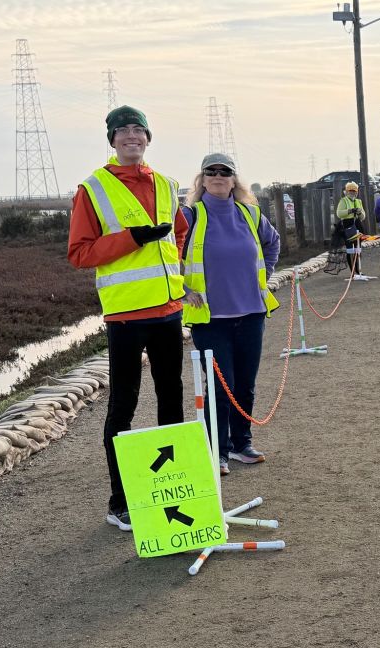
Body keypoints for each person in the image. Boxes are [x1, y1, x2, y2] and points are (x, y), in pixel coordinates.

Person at [67, 105, 189, 532]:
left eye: (139, 130)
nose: (132, 137)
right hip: (125, 317)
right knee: (123, 406)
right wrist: (132, 239)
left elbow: (179, 233)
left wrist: (171, 266)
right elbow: (80, 253)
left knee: (171, 400)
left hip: (168, 312)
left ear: (148, 138)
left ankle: (173, 490)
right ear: (112, 140)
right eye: (123, 131)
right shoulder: (93, 188)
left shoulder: (168, 185)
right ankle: (120, 503)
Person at [181, 153, 280, 476]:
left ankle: (241, 443)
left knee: (245, 385)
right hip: (210, 319)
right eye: (211, 171)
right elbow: (166, 254)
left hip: (251, 314)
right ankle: (217, 450)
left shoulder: (250, 213)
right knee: (220, 387)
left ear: (234, 179)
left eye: (225, 171)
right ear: (202, 179)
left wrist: (266, 273)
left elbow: (273, 242)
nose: (218, 176)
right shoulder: (190, 215)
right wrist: (182, 289)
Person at [336, 181, 366, 276]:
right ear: (347, 191)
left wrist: (359, 212)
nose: (352, 193)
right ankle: (353, 272)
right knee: (350, 250)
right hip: (347, 226)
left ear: (357, 192)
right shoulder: (343, 201)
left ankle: (358, 270)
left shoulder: (359, 201)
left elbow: (363, 217)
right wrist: (350, 211)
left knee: (358, 249)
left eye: (354, 191)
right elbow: (339, 213)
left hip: (357, 226)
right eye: (350, 191)